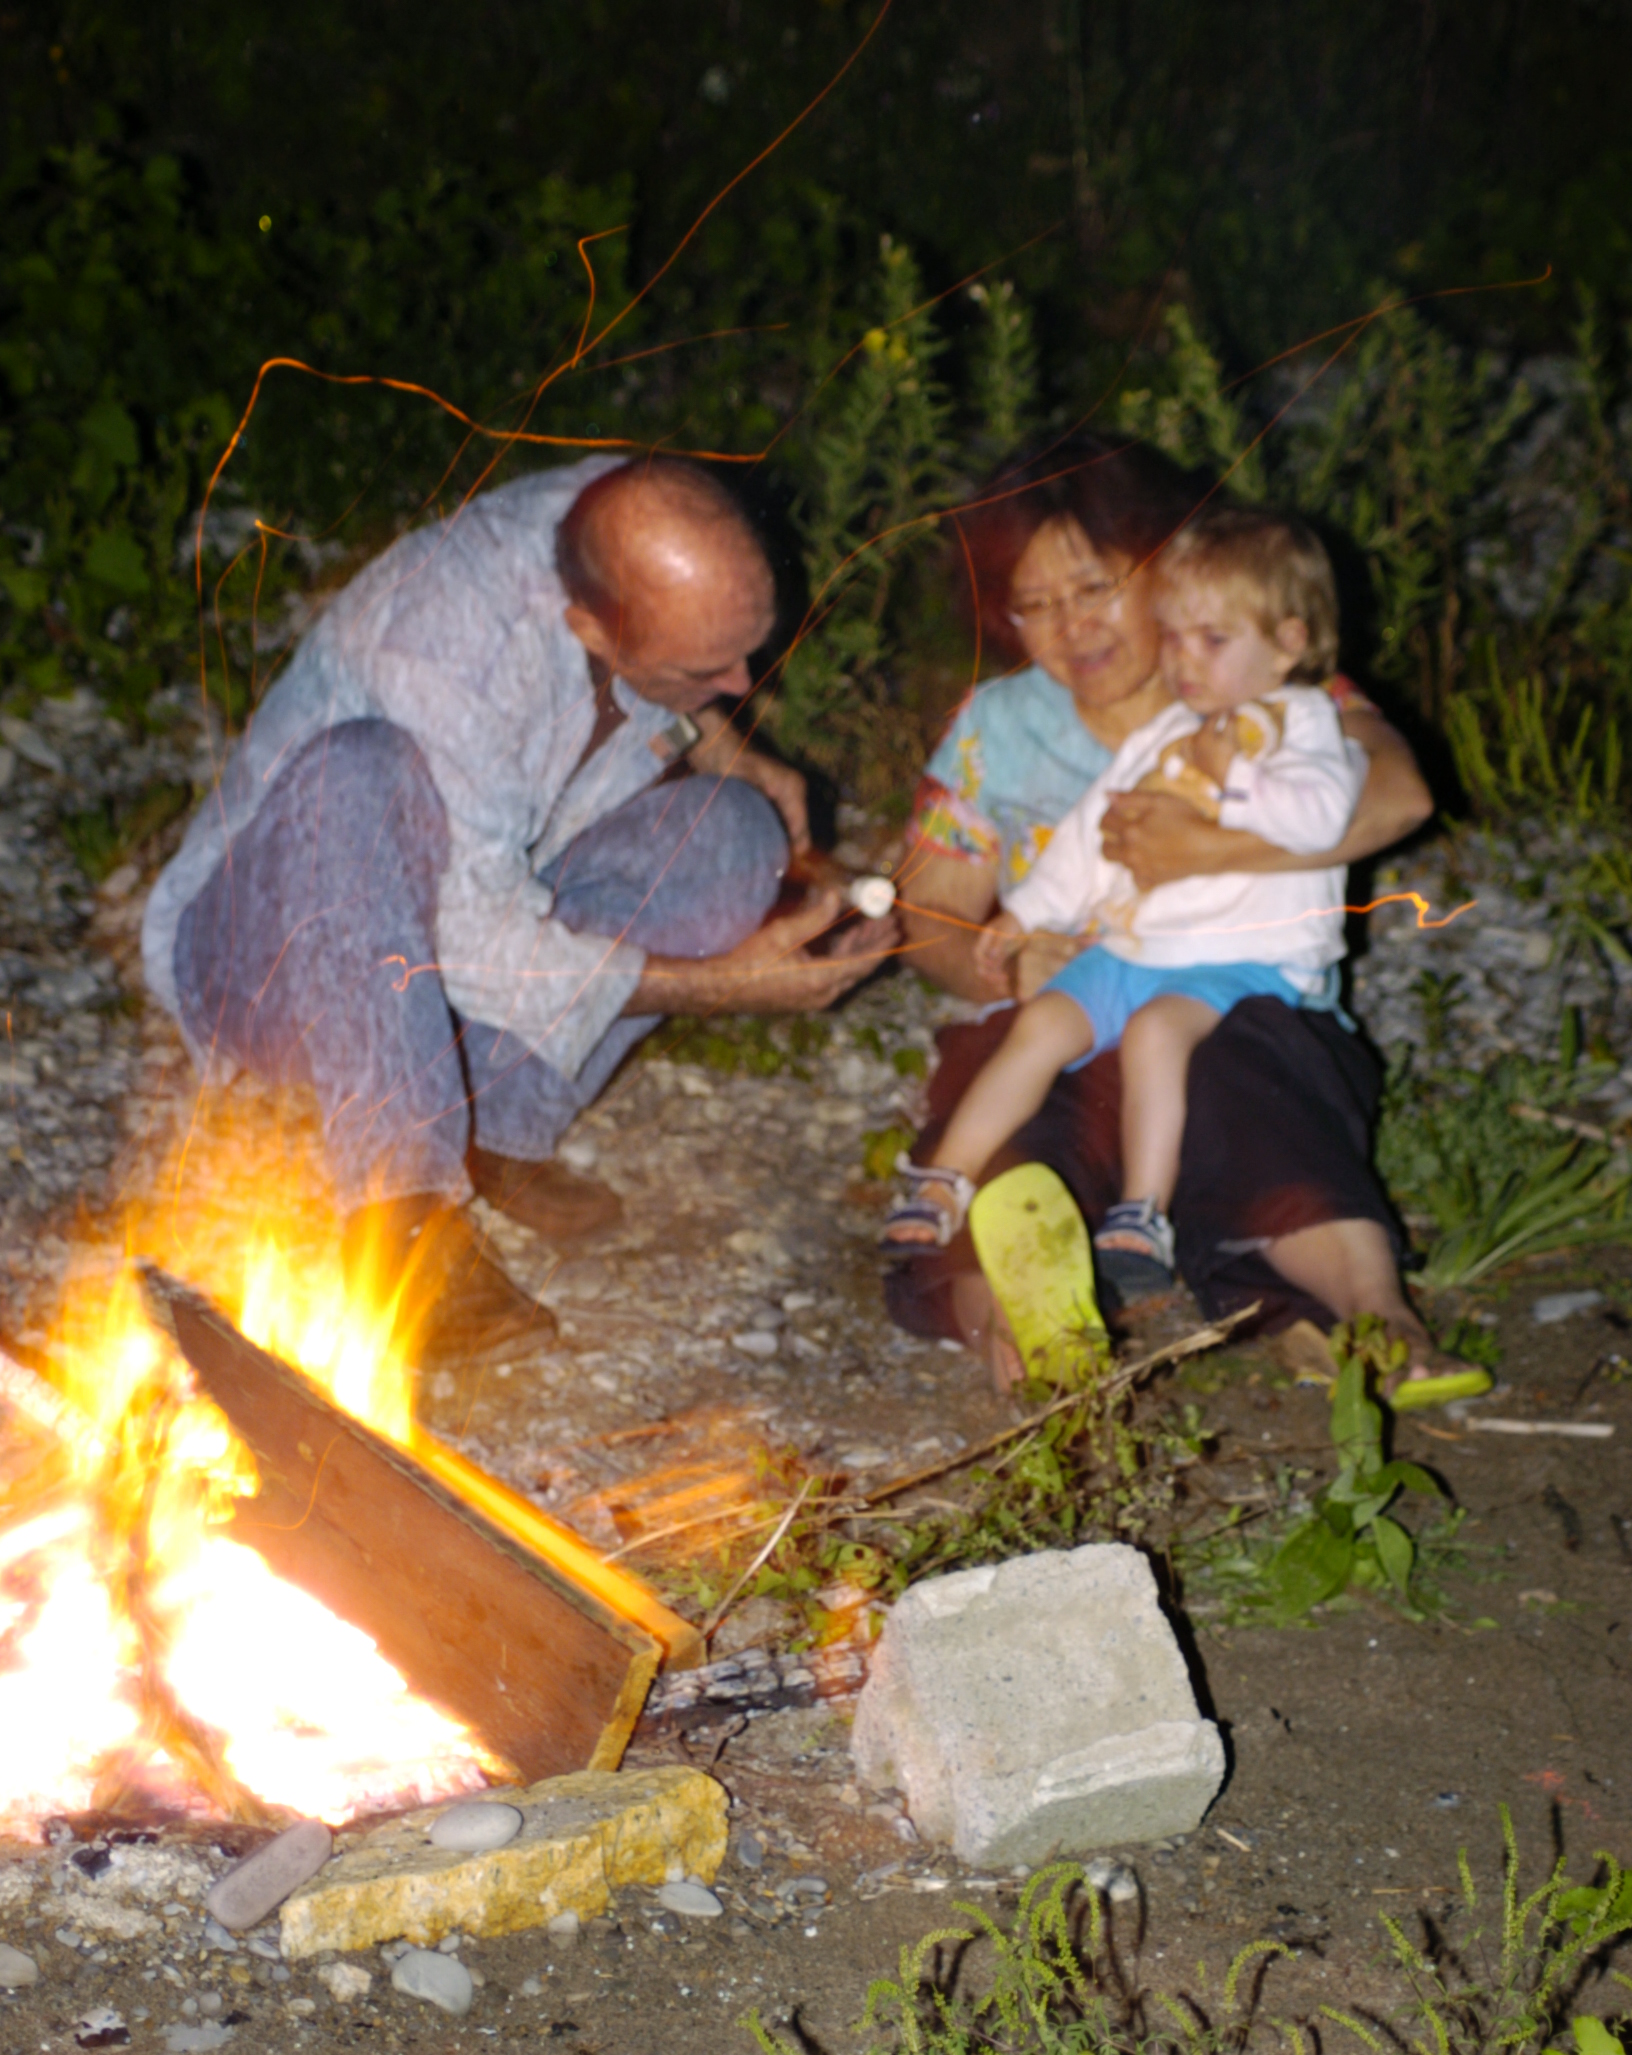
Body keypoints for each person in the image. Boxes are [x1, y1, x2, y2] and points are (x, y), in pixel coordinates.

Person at [143, 454, 893, 1366]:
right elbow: (477, 938)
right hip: (273, 963)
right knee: (361, 772)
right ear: (590, 626)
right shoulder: (447, 648)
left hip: (453, 928)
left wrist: (721, 743)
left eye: (746, 650)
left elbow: (680, 686)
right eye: (707, 667)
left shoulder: (632, 512)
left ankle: (493, 1126)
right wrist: (727, 987)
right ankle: (401, 1226)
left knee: (735, 832)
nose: (744, 682)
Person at [886, 433, 1476, 1400]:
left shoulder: (1257, 678)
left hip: (1244, 1002)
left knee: (1253, 1106)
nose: (1070, 627)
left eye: (1095, 587)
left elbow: (1398, 797)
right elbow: (926, 911)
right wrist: (1007, 958)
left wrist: (1201, 848)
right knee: (1016, 1123)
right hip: (1085, 996)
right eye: (1035, 604)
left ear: (1164, 565)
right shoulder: (997, 726)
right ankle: (1025, 1321)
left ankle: (1377, 1315)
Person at [884, 505, 1359, 1299]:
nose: (1186, 661)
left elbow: (1323, 818)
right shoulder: (1164, 731)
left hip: (1242, 964)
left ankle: (1148, 1213)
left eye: (1212, 641)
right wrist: (1027, 915)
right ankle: (944, 1179)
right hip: (1138, 949)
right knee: (1041, 1026)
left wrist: (1233, 778)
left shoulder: (1305, 721)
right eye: (1176, 638)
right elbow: (1086, 837)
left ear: (1288, 643)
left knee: (1162, 1040)